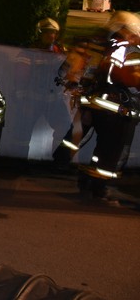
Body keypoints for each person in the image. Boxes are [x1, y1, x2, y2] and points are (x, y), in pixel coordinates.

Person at [56, 11, 140, 202]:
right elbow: (129, 78)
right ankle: (98, 188)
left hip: (100, 104)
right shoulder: (130, 50)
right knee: (111, 153)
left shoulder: (109, 47)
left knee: (99, 149)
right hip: (117, 110)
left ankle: (85, 178)